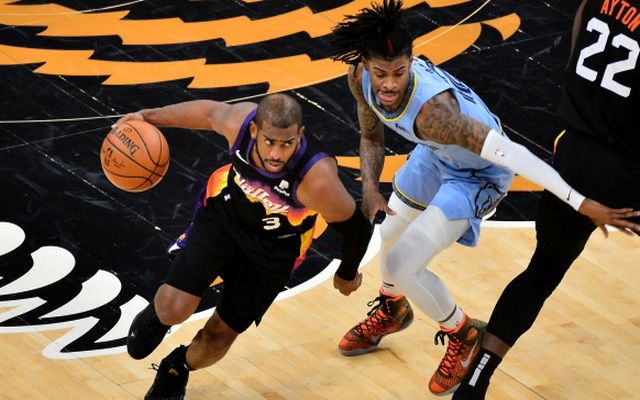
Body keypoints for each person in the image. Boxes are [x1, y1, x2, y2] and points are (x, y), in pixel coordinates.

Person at [328, 0, 640, 396]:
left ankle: (463, 334)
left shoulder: (437, 114)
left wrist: (579, 201)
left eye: (399, 73)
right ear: (366, 65)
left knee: (403, 263)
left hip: (478, 174)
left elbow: (515, 155)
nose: (388, 85)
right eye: (380, 74)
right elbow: (372, 135)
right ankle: (393, 308)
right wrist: (370, 189)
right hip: (435, 154)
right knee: (388, 235)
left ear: (412, 63)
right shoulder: (359, 77)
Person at [118, 93, 373, 400]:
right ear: (254, 130)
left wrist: (347, 274)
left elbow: (358, 228)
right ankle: (160, 317)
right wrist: (148, 115)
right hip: (224, 216)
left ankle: (176, 367)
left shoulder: (316, 180)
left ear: (300, 135)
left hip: (275, 249)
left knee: (218, 338)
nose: (276, 153)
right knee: (173, 309)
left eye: (287, 143)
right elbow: (208, 113)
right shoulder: (239, 123)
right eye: (269, 141)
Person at [453, 0, 640, 398]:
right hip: (627, 169)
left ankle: (475, 380)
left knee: (542, 271)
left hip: (573, 154)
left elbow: (575, 46)